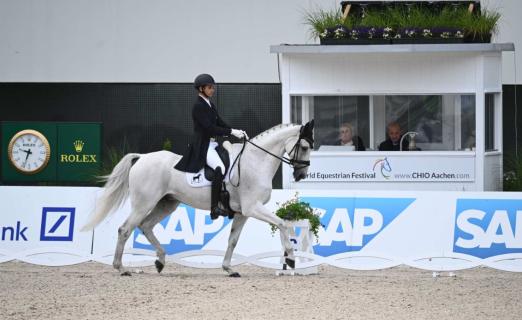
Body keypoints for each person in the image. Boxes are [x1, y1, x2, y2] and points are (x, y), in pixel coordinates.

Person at [174, 74, 247, 219]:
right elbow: (209, 128)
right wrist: (231, 131)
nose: (212, 89)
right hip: (203, 145)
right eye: (209, 87)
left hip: (212, 144)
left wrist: (236, 132)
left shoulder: (209, 104)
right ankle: (215, 208)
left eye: (212, 87)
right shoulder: (198, 106)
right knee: (219, 167)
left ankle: (227, 201)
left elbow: (219, 123)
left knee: (229, 164)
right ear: (201, 89)